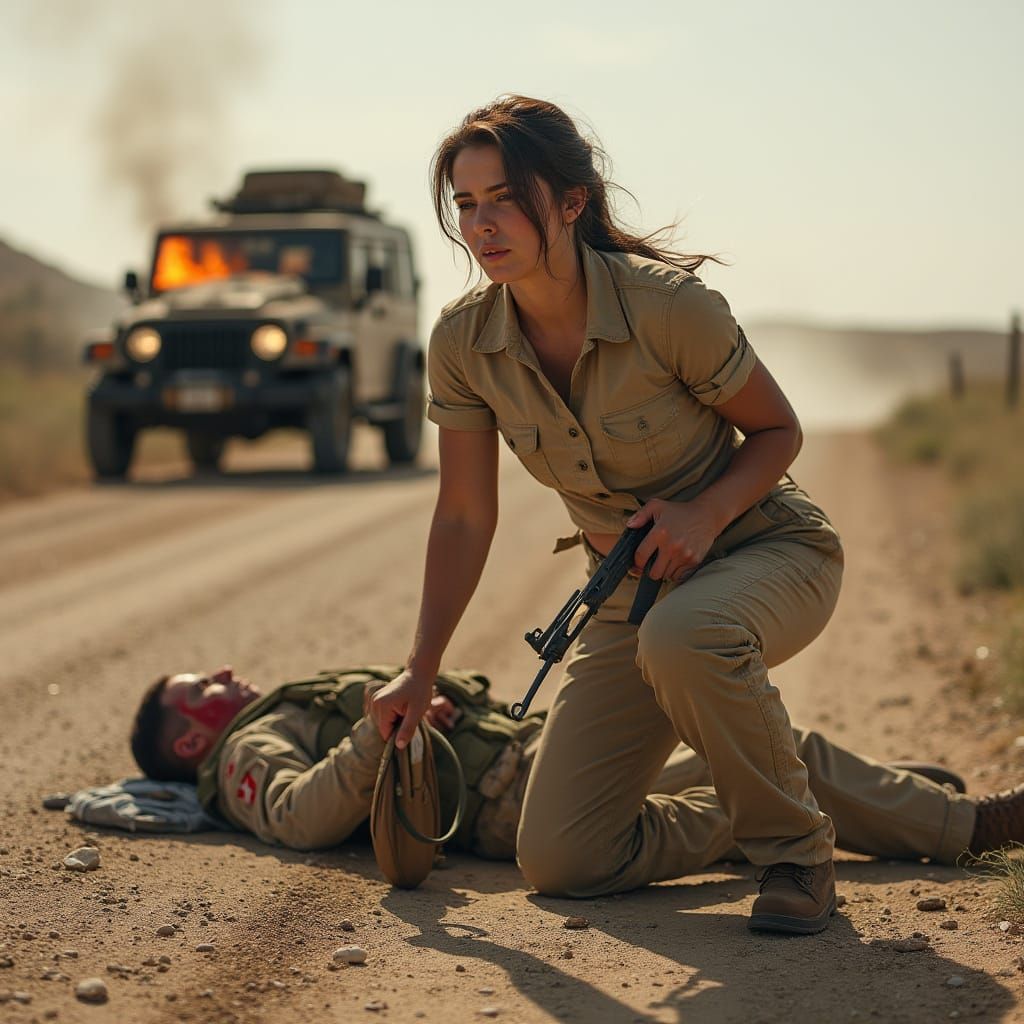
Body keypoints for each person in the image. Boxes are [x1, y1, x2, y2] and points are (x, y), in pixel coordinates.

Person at [365, 95, 1024, 934]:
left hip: (764, 552)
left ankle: (796, 853)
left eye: (504, 197)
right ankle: (796, 777)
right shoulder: (463, 343)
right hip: (626, 598)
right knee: (563, 858)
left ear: (571, 202)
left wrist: (705, 514)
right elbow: (462, 515)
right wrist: (418, 671)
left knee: (685, 637)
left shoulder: (667, 306)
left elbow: (779, 429)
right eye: (466, 203)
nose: (482, 224)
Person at [129, 663, 1024, 882]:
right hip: (515, 806)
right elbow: (296, 816)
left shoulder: (279, 704)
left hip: (538, 754)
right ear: (187, 742)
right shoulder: (246, 751)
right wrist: (374, 737)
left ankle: (910, 809)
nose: (225, 676)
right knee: (763, 786)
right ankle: (954, 825)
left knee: (775, 751)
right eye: (201, 687)